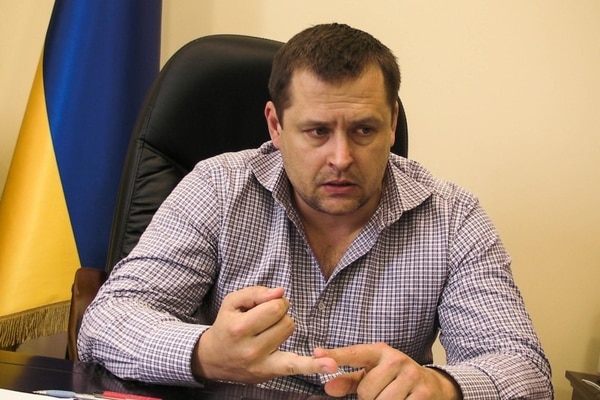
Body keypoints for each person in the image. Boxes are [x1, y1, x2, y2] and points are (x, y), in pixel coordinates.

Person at [78, 23, 553, 399]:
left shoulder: (453, 216)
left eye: (364, 130)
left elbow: (524, 369)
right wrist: (205, 353)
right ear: (276, 125)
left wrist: (442, 386)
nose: (341, 158)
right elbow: (106, 321)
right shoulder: (217, 187)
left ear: (391, 123)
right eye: (317, 131)